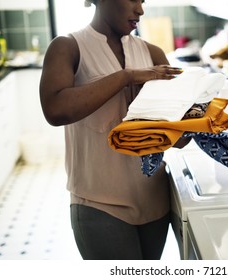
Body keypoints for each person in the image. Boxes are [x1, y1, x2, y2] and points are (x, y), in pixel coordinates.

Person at [39, 0, 188, 260]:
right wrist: (126, 77)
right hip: (99, 205)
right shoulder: (68, 47)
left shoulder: (153, 54)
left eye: (143, 1)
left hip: (155, 201)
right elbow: (55, 110)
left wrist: (196, 122)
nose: (140, 10)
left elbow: (175, 138)